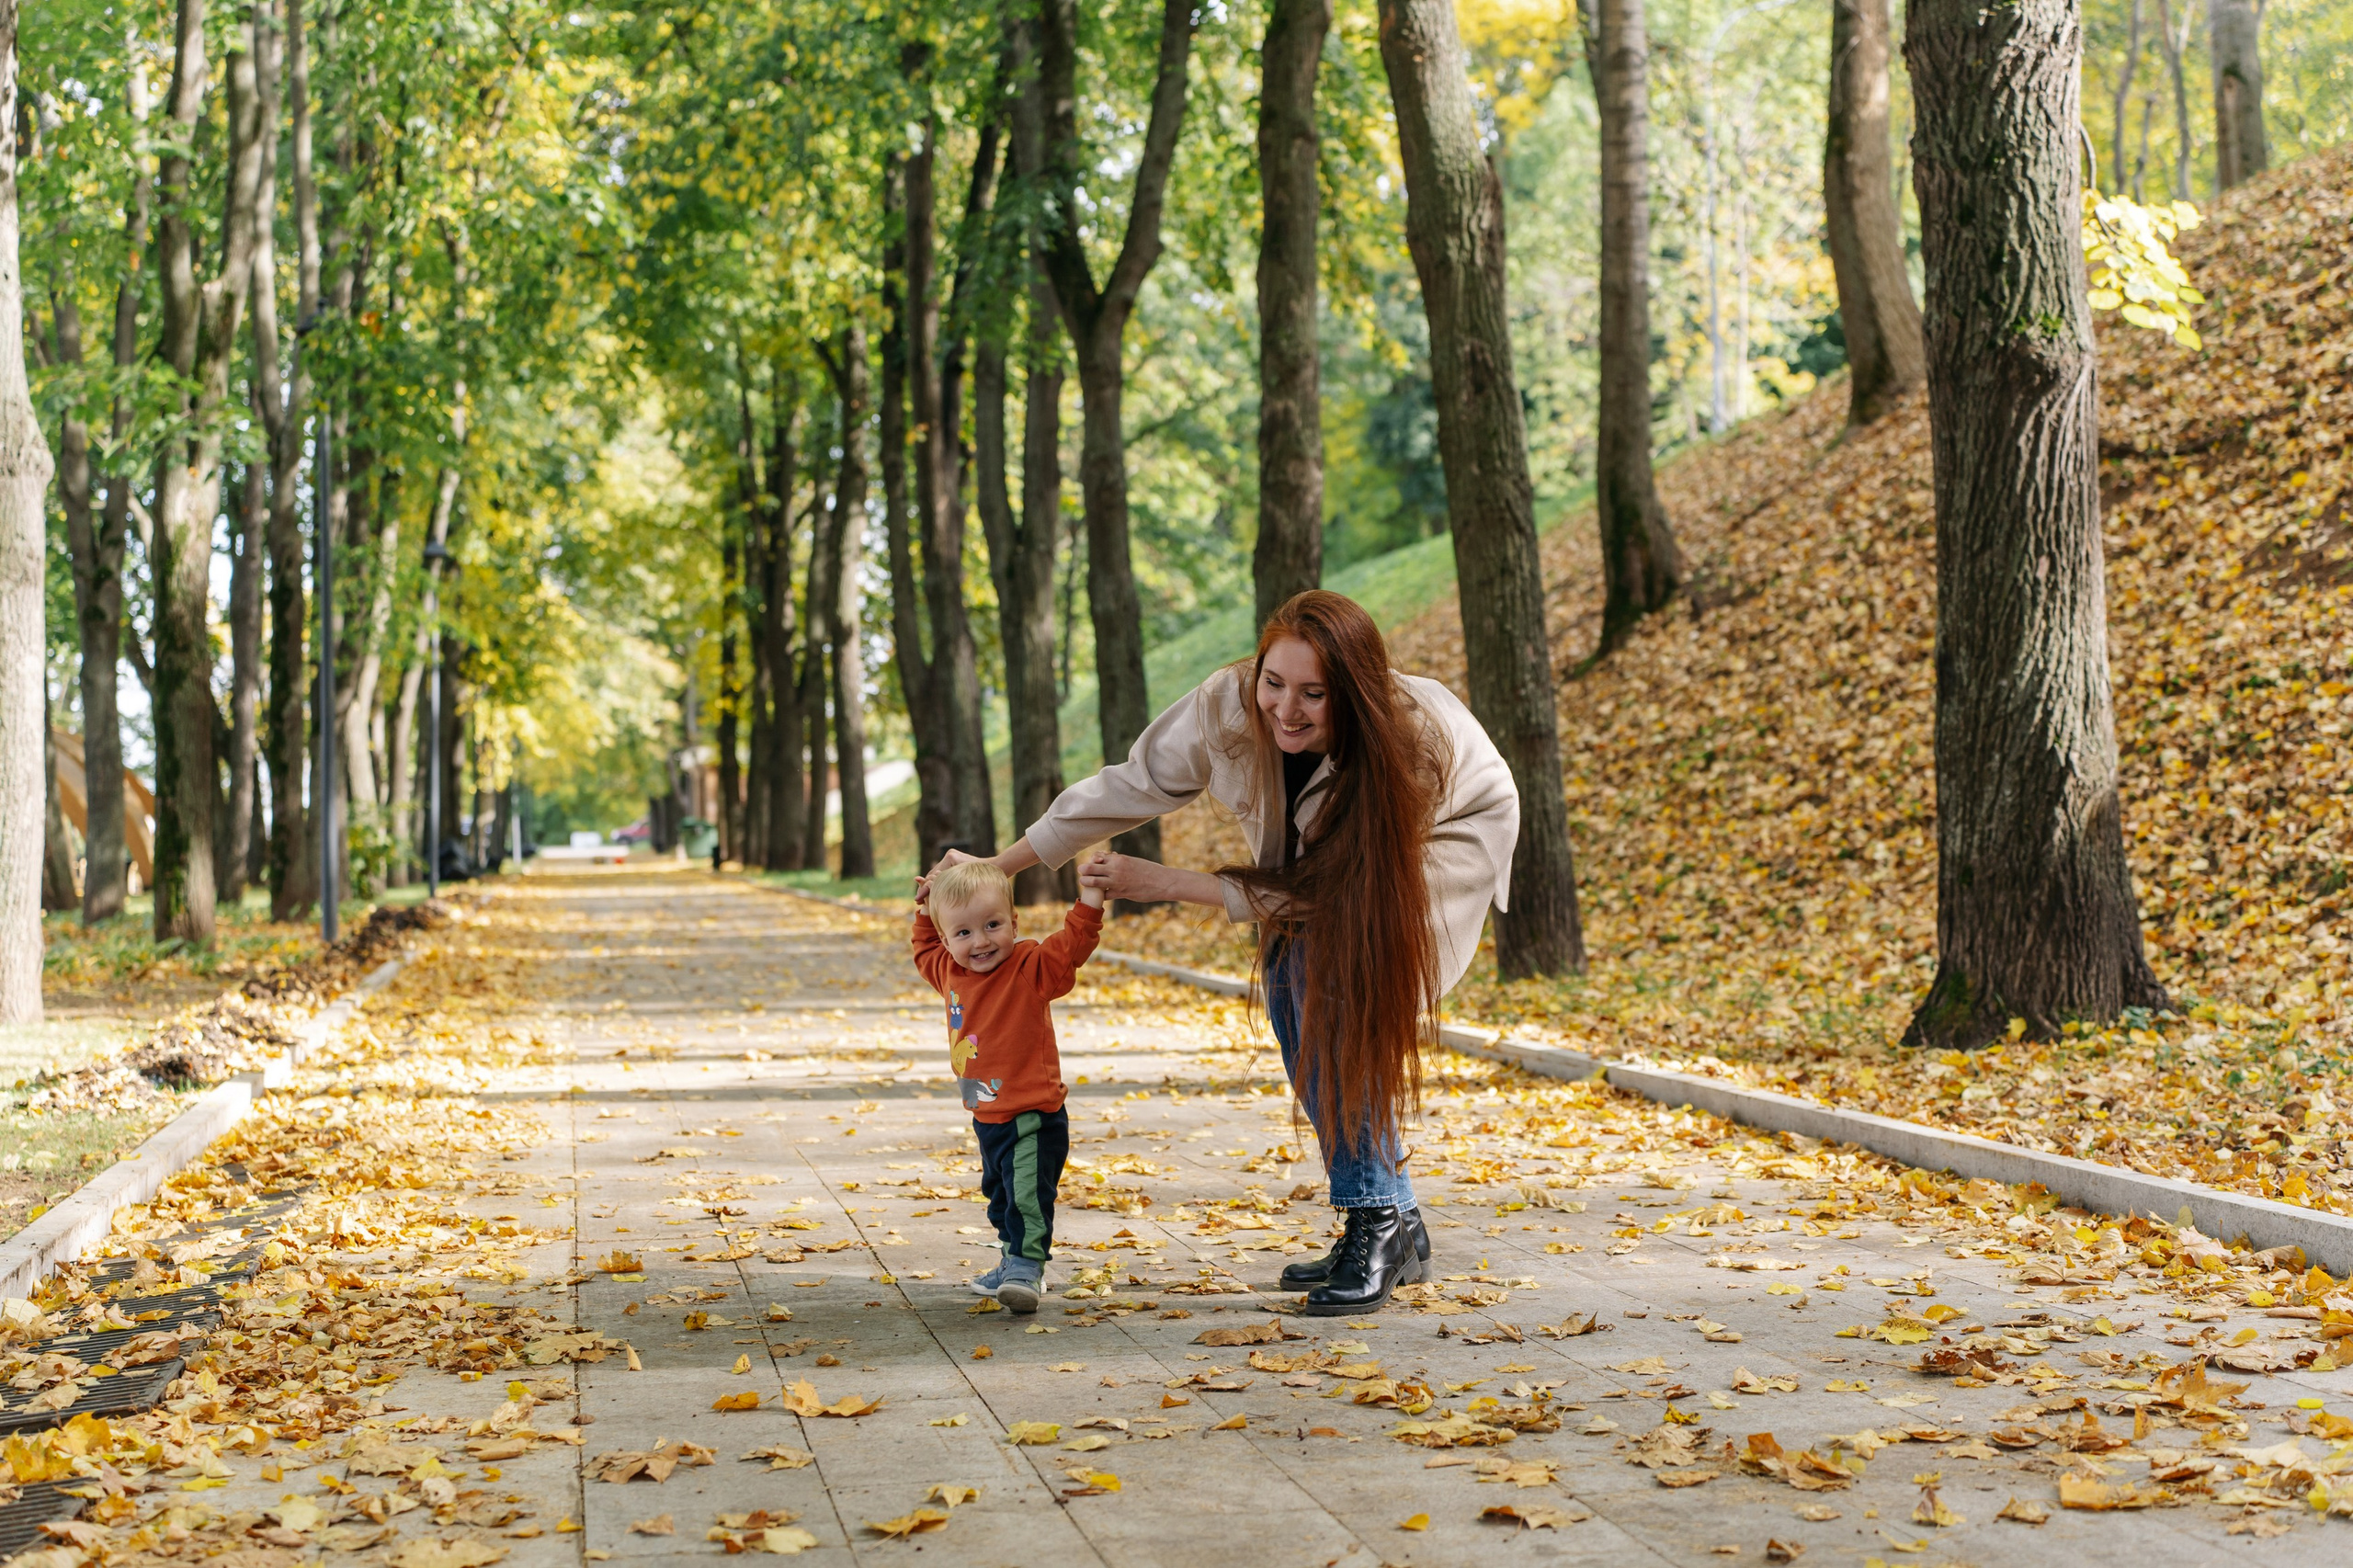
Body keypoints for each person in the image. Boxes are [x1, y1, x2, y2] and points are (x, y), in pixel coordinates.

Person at [936, 590, 1519, 1314]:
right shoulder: (1229, 703)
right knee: (1288, 986)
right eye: (1274, 682)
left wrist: (1166, 882)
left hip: (1438, 852)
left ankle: (1376, 1213)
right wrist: (1003, 864)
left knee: (1331, 990)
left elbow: (1333, 897)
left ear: (1356, 693)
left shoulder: (1410, 747)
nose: (1287, 709)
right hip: (1313, 884)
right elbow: (1133, 783)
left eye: (1315, 694)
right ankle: (1395, 1219)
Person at [911, 858, 1105, 1314]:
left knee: (1026, 1197)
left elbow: (1072, 945)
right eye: (963, 933)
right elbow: (921, 950)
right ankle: (1008, 1257)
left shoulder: (1030, 966)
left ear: (1013, 923)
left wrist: (1092, 898)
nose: (980, 941)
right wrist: (923, 909)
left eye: (993, 925)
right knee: (999, 1196)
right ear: (946, 940)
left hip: (1032, 1115)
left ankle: (1025, 1266)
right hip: (986, 1113)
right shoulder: (948, 972)